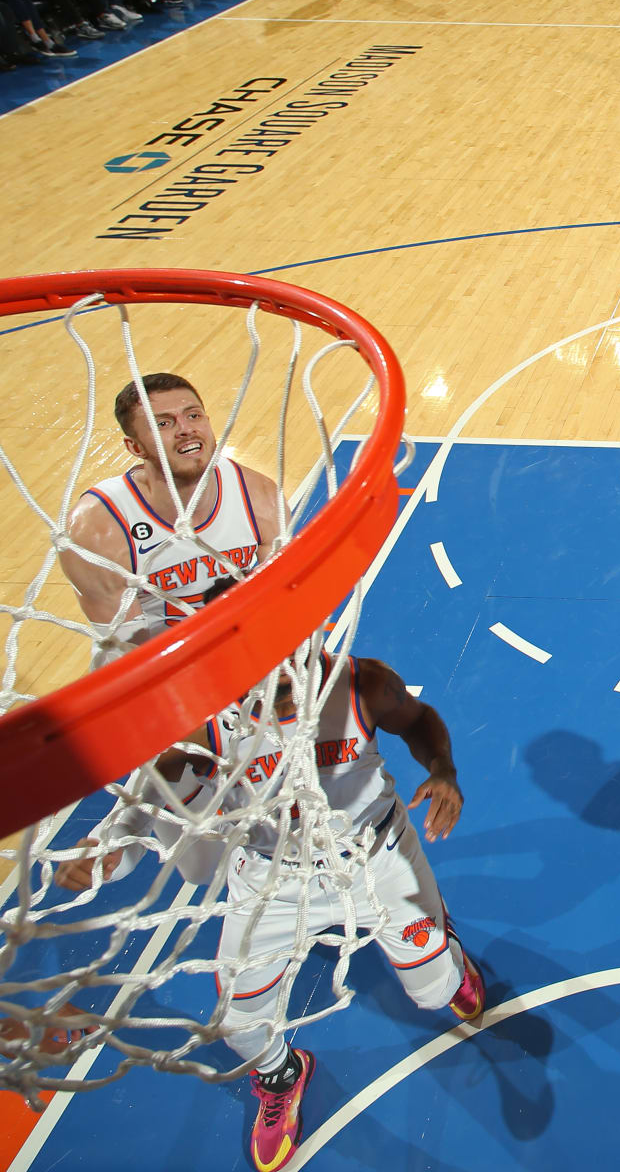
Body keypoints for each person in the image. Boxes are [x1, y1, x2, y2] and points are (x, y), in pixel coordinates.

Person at [56, 606, 483, 1172]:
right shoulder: (202, 723)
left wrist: (444, 770)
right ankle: (283, 1075)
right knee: (239, 1021)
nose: (279, 672)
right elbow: (145, 796)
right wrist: (108, 850)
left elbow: (419, 719)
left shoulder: (361, 683)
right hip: (271, 877)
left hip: (375, 856)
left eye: (289, 653)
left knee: (435, 991)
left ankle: (441, 940)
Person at [57, 374, 282, 656]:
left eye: (193, 415)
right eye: (163, 423)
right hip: (153, 665)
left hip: (242, 650)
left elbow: (280, 601)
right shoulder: (99, 526)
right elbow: (128, 651)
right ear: (135, 447)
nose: (185, 430)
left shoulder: (258, 495)